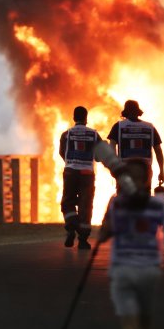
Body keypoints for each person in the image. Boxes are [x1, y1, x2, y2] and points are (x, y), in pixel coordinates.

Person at [99, 161, 164, 329]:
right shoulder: (158, 204)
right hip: (148, 271)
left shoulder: (116, 203)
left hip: (122, 269)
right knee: (145, 319)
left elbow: (103, 235)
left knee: (130, 323)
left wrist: (107, 223)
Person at [59, 106, 101, 249]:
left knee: (67, 202)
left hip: (70, 172)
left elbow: (62, 153)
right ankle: (83, 240)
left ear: (73, 118)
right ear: (86, 118)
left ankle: (71, 227)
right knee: (86, 205)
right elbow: (100, 157)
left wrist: (72, 162)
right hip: (87, 175)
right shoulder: (94, 135)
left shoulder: (66, 134)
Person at [108, 100, 164, 187]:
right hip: (145, 170)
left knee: (124, 198)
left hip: (124, 169)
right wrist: (161, 171)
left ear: (126, 112)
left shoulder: (118, 126)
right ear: (138, 111)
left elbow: (111, 147)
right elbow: (158, 151)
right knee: (144, 198)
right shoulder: (150, 127)